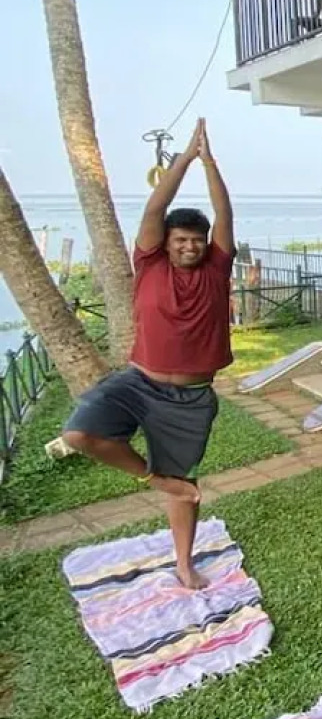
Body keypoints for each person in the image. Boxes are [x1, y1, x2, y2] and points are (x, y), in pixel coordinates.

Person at [62, 120, 233, 592]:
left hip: (191, 397)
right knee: (79, 433)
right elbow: (156, 206)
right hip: (138, 382)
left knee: (185, 486)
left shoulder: (217, 267)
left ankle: (184, 564)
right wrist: (185, 159)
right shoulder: (150, 262)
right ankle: (153, 478)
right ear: (167, 242)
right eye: (181, 239)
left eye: (196, 239)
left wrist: (210, 163)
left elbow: (223, 211)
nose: (189, 246)